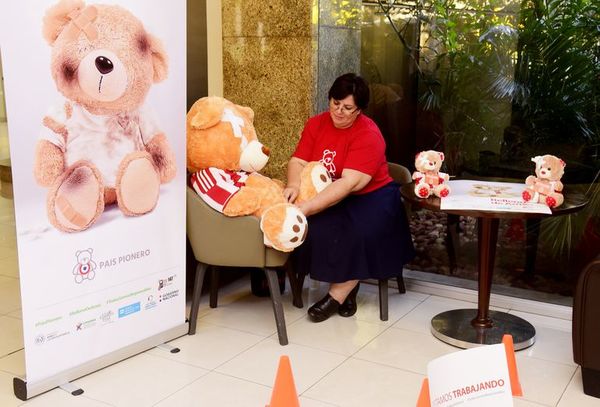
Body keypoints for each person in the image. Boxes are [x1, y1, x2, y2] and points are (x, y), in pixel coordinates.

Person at [283, 73, 415, 322]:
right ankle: (349, 289)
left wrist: (308, 206)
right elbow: (298, 160)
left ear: (359, 110)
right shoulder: (316, 124)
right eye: (335, 103)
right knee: (319, 229)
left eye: (348, 108)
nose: (339, 111)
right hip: (330, 191)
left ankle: (337, 295)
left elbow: (348, 184)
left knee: (359, 232)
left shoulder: (368, 134)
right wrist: (293, 184)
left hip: (371, 196)